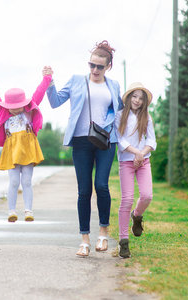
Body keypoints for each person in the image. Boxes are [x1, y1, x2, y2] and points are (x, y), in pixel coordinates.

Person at [45, 40, 123, 257]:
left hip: (106, 140)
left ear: (108, 67)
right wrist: (49, 82)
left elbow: (118, 110)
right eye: (92, 65)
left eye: (100, 66)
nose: (95, 70)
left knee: (102, 185)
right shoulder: (77, 81)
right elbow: (55, 101)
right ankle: (85, 240)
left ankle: (103, 234)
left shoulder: (113, 85)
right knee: (84, 191)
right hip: (81, 141)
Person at [0, 67, 52, 222]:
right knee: (13, 181)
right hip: (12, 150)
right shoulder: (3, 111)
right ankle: (11, 211)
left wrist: (46, 78)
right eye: (11, 108)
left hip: (28, 149)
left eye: (17, 107)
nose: (14, 110)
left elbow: (38, 94)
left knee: (26, 181)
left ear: (23, 103)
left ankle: (28, 211)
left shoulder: (28, 109)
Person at [114, 82, 156, 258]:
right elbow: (120, 140)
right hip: (127, 162)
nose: (137, 100)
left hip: (143, 161)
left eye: (141, 98)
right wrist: (136, 152)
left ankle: (137, 216)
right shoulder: (119, 116)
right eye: (135, 96)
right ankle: (124, 241)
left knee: (147, 195)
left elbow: (152, 141)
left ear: (144, 101)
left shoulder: (147, 117)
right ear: (129, 97)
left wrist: (142, 154)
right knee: (127, 199)